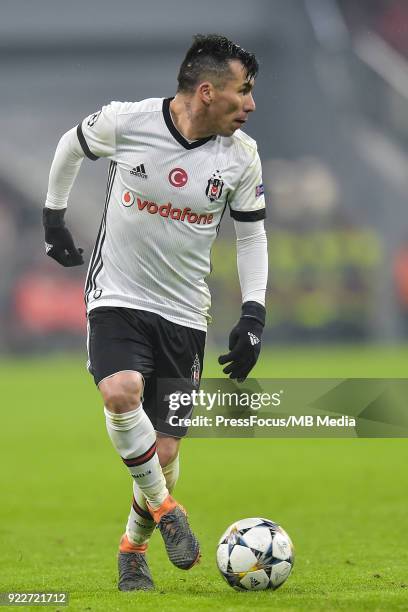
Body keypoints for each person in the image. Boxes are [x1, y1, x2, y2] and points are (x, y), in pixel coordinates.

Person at [43, 33, 268, 592]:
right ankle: (169, 513)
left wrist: (254, 315)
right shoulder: (128, 122)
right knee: (119, 392)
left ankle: (133, 548)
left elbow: (251, 238)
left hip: (186, 313)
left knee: (163, 451)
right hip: (116, 295)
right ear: (208, 91)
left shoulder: (242, 157)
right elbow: (70, 146)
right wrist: (53, 218)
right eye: (244, 92)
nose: (251, 105)